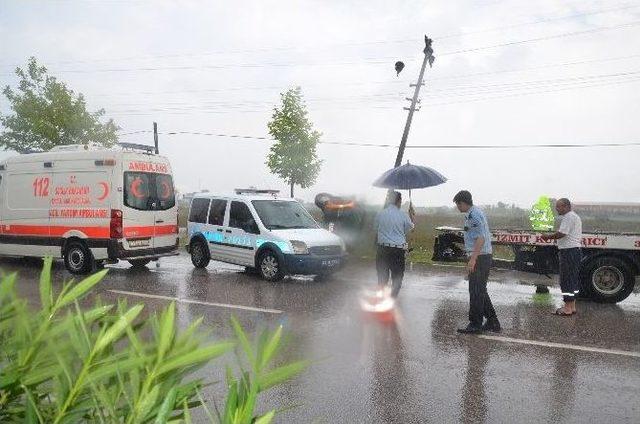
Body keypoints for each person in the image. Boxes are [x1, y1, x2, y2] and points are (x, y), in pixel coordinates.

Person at [453, 190, 501, 334]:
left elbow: (480, 238)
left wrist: (473, 259)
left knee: (475, 291)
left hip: (480, 257)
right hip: (481, 255)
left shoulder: (474, 216)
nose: (457, 207)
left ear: (463, 203)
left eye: (458, 204)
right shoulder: (474, 213)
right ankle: (493, 321)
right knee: (480, 290)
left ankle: (475, 324)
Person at [540, 198, 582, 316]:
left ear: (567, 207)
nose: (556, 209)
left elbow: (562, 233)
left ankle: (567, 309)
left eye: (559, 206)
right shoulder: (574, 216)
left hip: (569, 252)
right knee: (573, 280)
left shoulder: (568, 217)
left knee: (566, 279)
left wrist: (548, 237)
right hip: (574, 251)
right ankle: (572, 307)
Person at [374, 191, 415, 298]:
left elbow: (375, 228)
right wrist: (411, 217)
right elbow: (410, 228)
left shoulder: (380, 214)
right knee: (397, 277)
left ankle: (382, 298)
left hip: (382, 249)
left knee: (382, 277)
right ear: (399, 201)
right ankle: (392, 299)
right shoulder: (403, 215)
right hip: (397, 250)